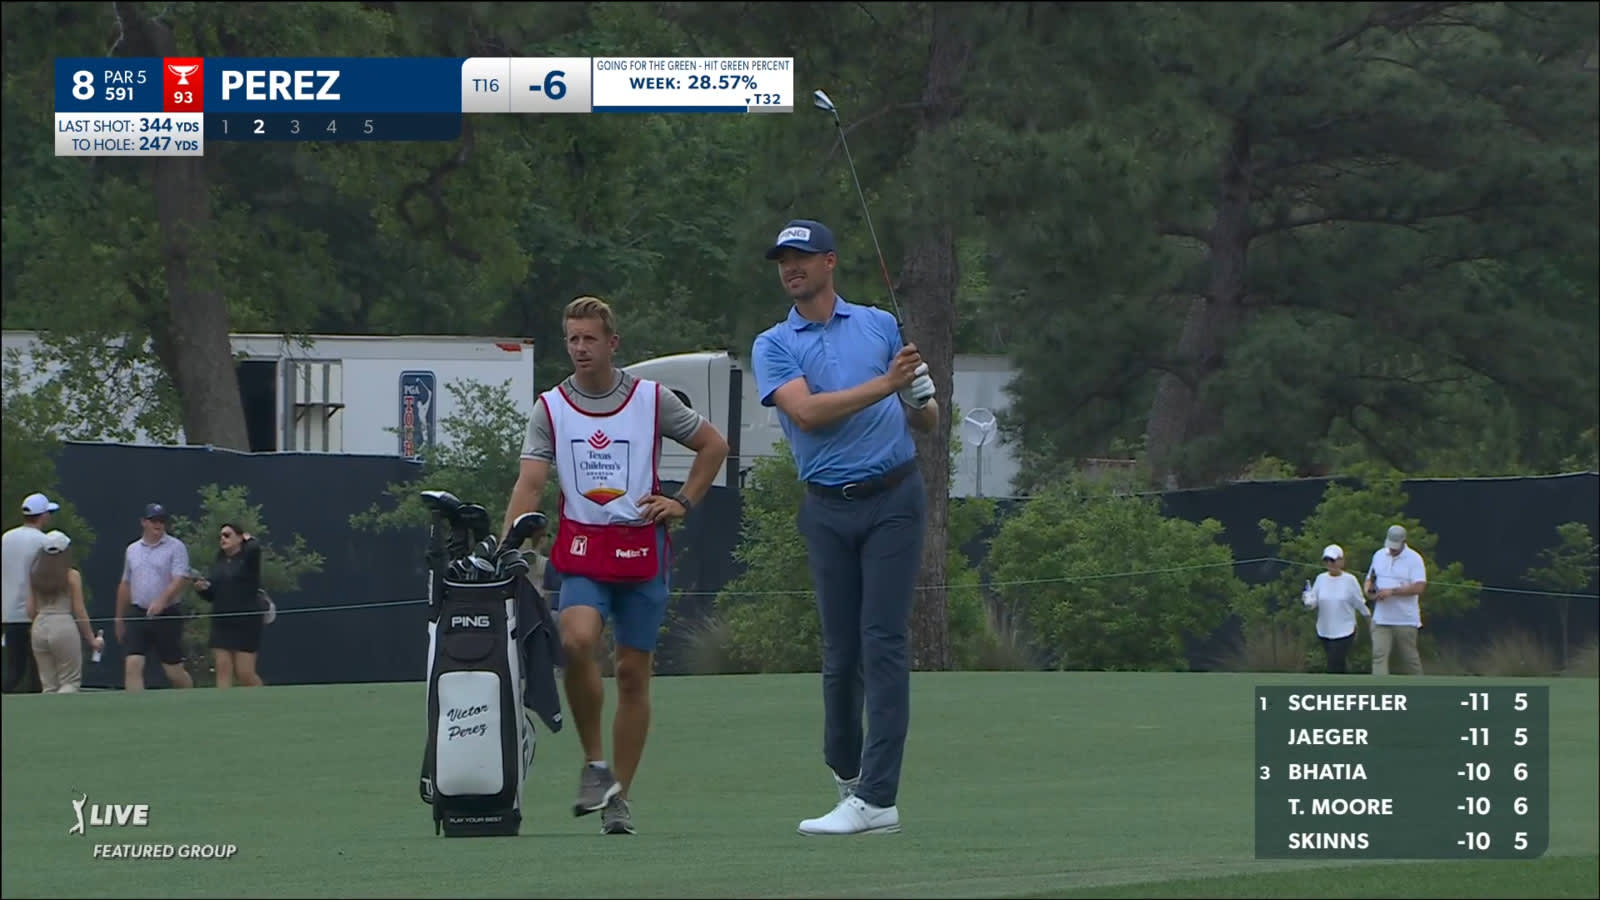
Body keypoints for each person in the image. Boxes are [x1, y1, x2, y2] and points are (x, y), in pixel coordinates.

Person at [502, 295, 729, 836]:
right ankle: (594, 763)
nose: (580, 349)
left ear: (612, 343)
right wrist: (507, 546)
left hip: (642, 554)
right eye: (572, 339)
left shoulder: (651, 399)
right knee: (576, 640)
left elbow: (713, 445)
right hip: (582, 553)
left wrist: (682, 501)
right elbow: (530, 482)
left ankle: (618, 798)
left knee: (632, 673)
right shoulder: (551, 408)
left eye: (589, 339)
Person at [750, 219, 938, 837]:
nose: (790, 268)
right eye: (783, 260)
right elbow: (806, 415)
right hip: (827, 507)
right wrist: (888, 384)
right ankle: (848, 774)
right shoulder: (774, 343)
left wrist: (920, 395)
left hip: (893, 498)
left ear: (829, 262)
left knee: (881, 641)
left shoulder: (880, 326)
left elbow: (928, 421)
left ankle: (878, 799)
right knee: (840, 655)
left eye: (801, 257)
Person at [116, 503, 195, 691]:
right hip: (138, 612)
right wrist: (119, 617)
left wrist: (162, 600)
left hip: (167, 613)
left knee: (173, 670)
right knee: (133, 664)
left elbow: (179, 578)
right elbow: (126, 583)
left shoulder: (176, 547)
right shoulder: (132, 550)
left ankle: (190, 697)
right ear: (144, 522)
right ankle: (136, 710)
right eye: (153, 521)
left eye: (161, 521)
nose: (158, 525)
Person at [26, 530, 103, 693]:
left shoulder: (34, 575)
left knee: (48, 685)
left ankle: (49, 717)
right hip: (63, 624)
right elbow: (79, 611)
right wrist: (92, 639)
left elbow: (30, 610)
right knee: (70, 681)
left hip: (39, 625)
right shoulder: (71, 575)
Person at [193, 523, 266, 688]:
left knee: (245, 673)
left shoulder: (249, 557)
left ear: (240, 538)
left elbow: (255, 548)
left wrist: (249, 538)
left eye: (227, 535)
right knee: (222, 667)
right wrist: (203, 589)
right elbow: (213, 595)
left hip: (246, 621)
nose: (222, 539)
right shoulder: (219, 561)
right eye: (221, 536)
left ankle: (263, 702)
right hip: (222, 621)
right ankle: (222, 707)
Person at [1, 492, 57, 693]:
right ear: (42, 515)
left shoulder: (6, 538)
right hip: (36, 614)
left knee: (14, 669)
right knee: (39, 670)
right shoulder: (43, 541)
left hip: (8, 613)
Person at [1364, 524, 1428, 675]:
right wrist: (1369, 591)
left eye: (1395, 546)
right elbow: (1369, 579)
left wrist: (1392, 592)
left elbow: (1419, 587)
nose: (1392, 549)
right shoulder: (1379, 555)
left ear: (1404, 542)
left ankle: (1422, 690)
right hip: (1381, 618)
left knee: (1410, 659)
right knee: (1378, 656)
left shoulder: (1414, 559)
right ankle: (1380, 692)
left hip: (1405, 619)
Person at [1301, 544, 1371, 674]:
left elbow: (1359, 603)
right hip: (1324, 630)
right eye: (1326, 560)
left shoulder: (1350, 580)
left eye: (1332, 560)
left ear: (1341, 561)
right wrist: (1308, 601)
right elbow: (1314, 601)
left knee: (1334, 664)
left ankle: (1331, 689)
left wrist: (1368, 618)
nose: (1329, 563)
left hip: (1345, 630)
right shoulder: (1320, 579)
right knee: (1337, 665)